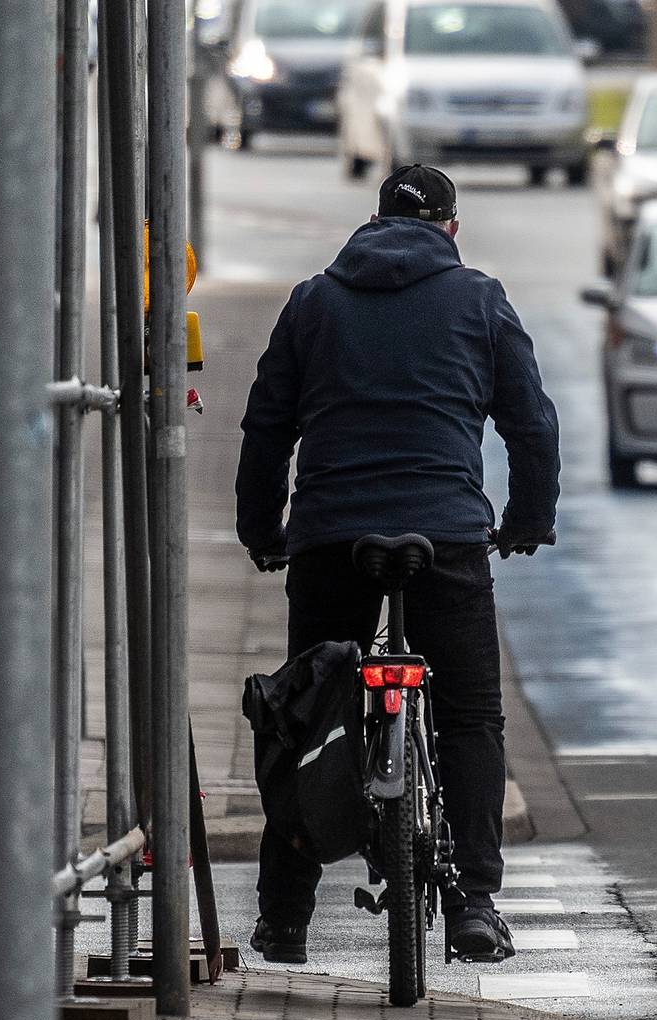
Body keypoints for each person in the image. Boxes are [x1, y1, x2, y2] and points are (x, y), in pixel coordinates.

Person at [235, 163, 560, 965]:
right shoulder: (480, 301)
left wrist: (262, 529)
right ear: (450, 228)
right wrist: (526, 521)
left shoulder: (314, 301)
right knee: (470, 717)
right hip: (445, 538)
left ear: (373, 221)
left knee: (309, 713)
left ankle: (284, 915)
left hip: (330, 539)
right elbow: (532, 426)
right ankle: (475, 904)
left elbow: (266, 426)